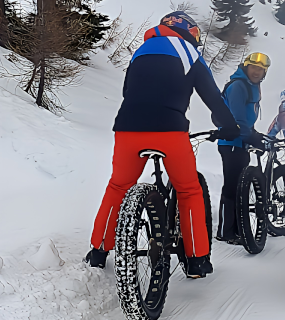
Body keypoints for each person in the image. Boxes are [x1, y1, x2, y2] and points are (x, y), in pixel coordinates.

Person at [85, 11, 240, 279]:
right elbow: (213, 98)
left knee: (118, 186)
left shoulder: (140, 51)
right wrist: (229, 127)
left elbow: (127, 92)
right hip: (169, 130)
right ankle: (196, 261)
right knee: (188, 190)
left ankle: (98, 252)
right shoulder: (189, 54)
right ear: (190, 31)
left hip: (127, 129)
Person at [216, 52, 271, 245]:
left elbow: (246, 120)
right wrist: (253, 137)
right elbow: (238, 120)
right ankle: (226, 231)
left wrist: (254, 135)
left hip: (240, 142)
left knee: (240, 186)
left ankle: (238, 229)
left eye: (261, 69)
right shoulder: (239, 86)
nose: (257, 72)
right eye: (254, 67)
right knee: (231, 187)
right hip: (231, 143)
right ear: (245, 67)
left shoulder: (251, 86)